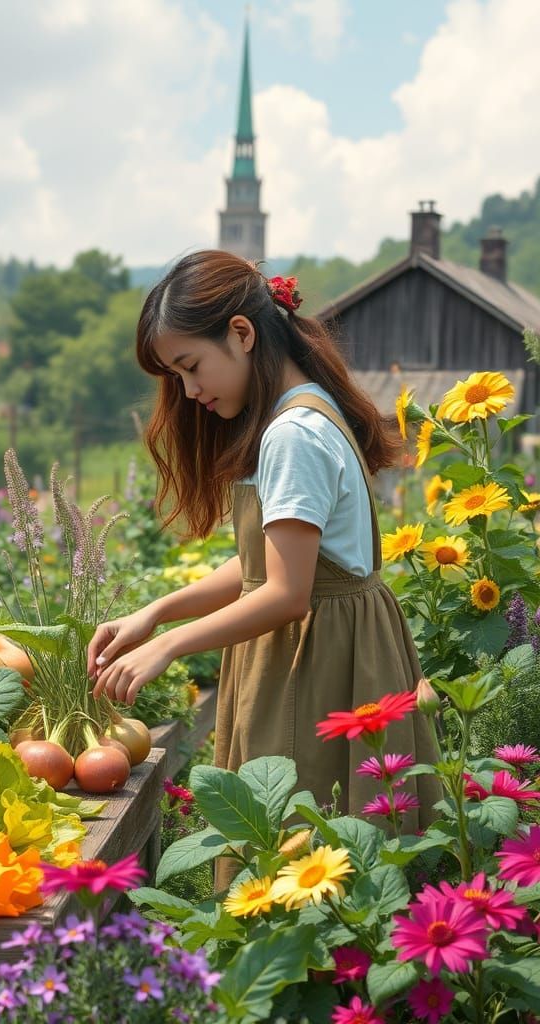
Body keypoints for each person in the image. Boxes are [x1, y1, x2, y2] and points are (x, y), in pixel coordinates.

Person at [87, 250, 440, 885]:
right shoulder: (302, 412)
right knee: (333, 858)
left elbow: (285, 592)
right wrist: (154, 611)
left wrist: (169, 645)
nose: (190, 392)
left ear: (242, 334)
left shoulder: (292, 434)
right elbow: (264, 562)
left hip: (318, 662)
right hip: (332, 646)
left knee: (305, 858)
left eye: (191, 367)